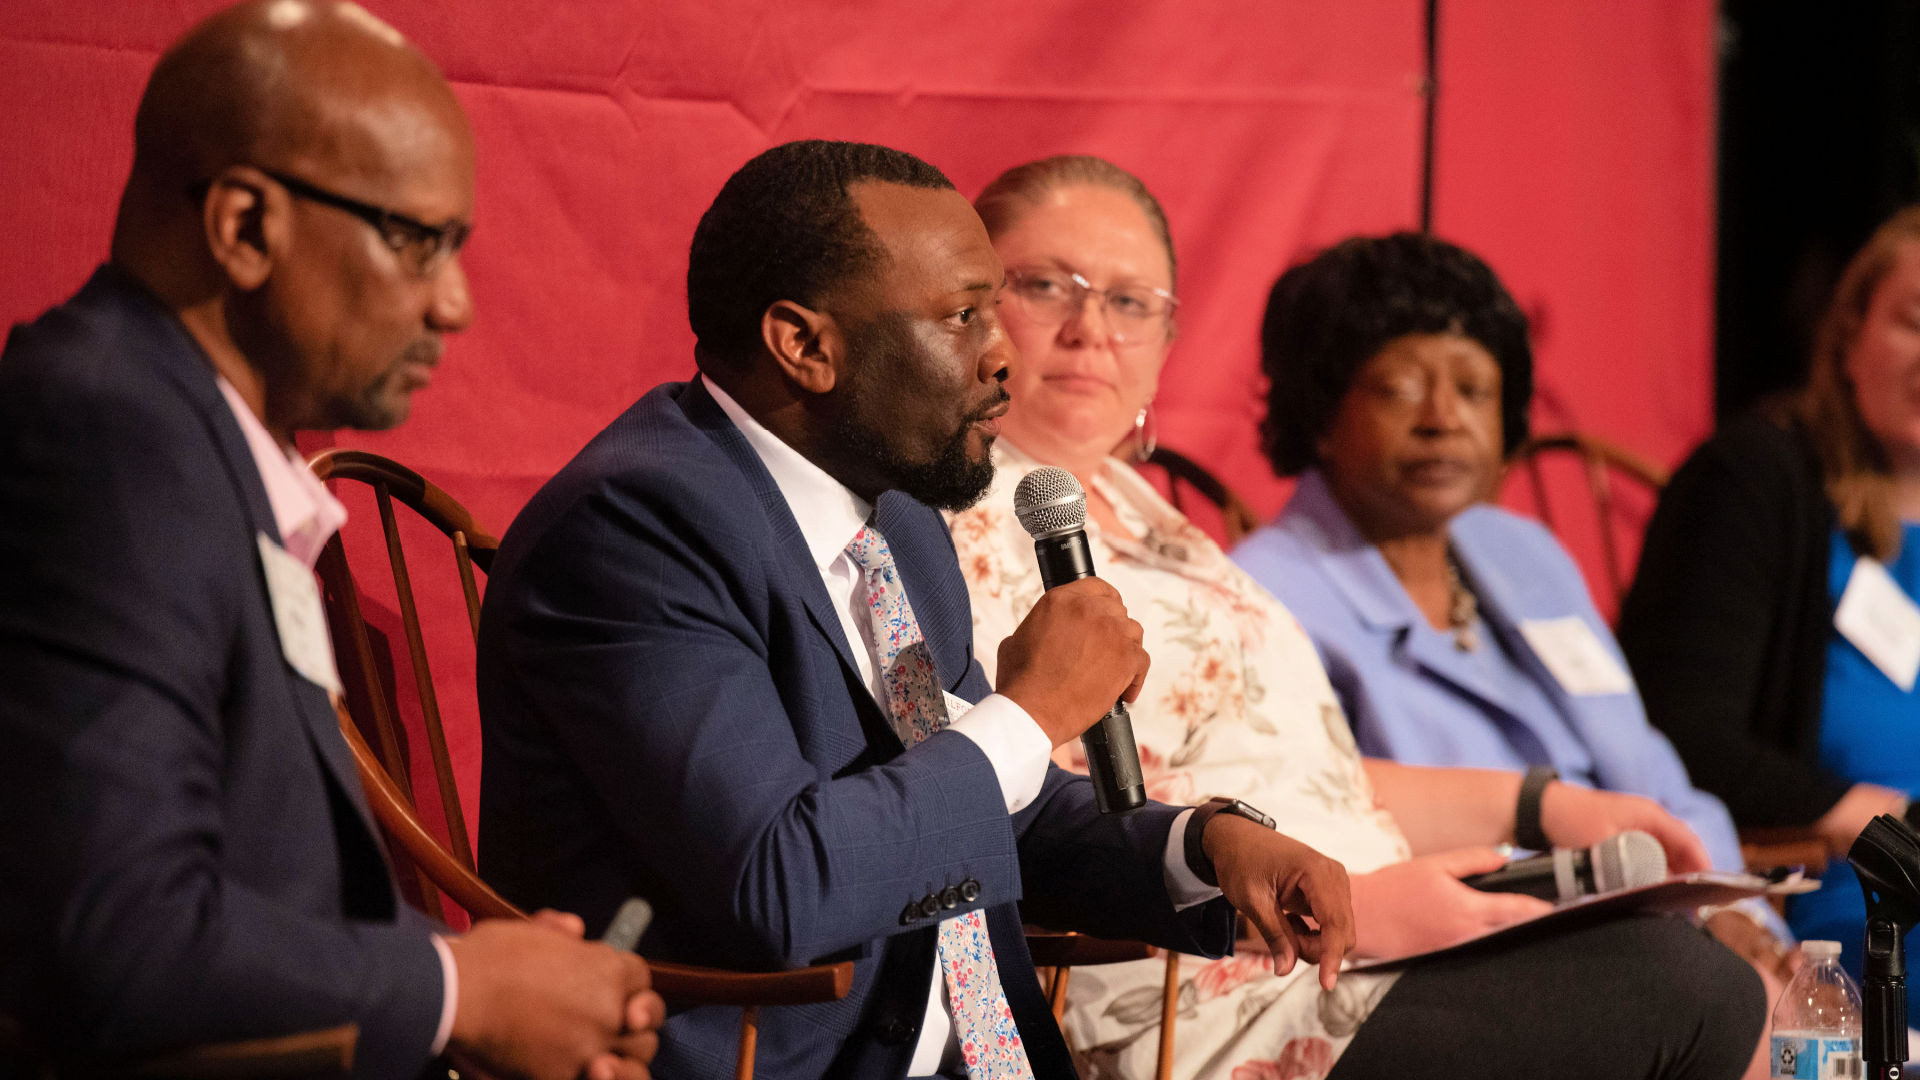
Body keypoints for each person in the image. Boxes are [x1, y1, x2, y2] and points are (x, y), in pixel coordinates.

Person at [474, 139, 1355, 1080]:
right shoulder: (637, 532)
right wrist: (1033, 713)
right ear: (805, 345)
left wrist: (1207, 844)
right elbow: (784, 882)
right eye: (963, 315)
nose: (1003, 355)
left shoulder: (897, 519)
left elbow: (988, 808)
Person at [953, 153, 1762, 1079]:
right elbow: (1029, 815)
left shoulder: (1150, 519)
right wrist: (1359, 905)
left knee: (1680, 961)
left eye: (1133, 303)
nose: (1091, 328)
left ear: (1169, 341)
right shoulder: (943, 527)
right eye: (1046, 285)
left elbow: (1314, 773)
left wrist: (1544, 805)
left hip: (1348, 938)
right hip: (1198, 986)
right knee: (1684, 991)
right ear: (968, 309)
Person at [0, 5, 662, 1078]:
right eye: (417, 242)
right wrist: (463, 992)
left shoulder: (189, 432)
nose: (452, 303)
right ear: (246, 226)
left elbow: (251, 888)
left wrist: (482, 988)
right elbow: (113, 937)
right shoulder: (107, 435)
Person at [1230, 232, 1786, 965]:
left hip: (1661, 926)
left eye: (1473, 389)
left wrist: (1738, 912)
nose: (1443, 417)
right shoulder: (1263, 593)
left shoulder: (1524, 553)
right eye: (1400, 388)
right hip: (1469, 952)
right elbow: (1322, 826)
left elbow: (1650, 771)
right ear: (1322, 415)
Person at [1617, 206, 1920, 1022]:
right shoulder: (1756, 481)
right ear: (1850, 330)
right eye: (1915, 322)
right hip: (1842, 895)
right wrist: (1871, 812)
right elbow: (1675, 731)